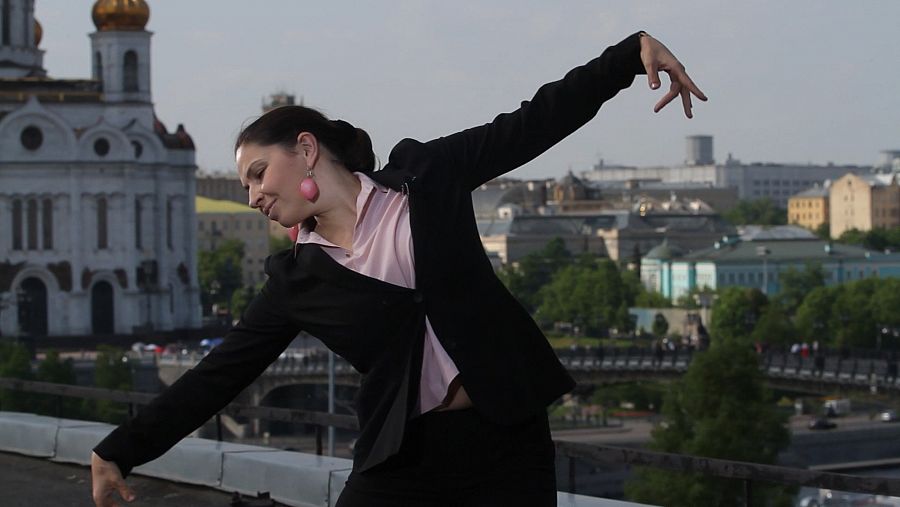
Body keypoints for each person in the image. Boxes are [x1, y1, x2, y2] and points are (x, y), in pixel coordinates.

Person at [91, 31, 705, 507]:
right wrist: (122, 449)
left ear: (305, 149)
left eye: (257, 174)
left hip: (507, 437)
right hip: (403, 456)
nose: (252, 196)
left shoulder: (427, 177)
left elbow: (531, 123)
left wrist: (629, 56)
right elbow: (217, 376)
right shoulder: (294, 280)